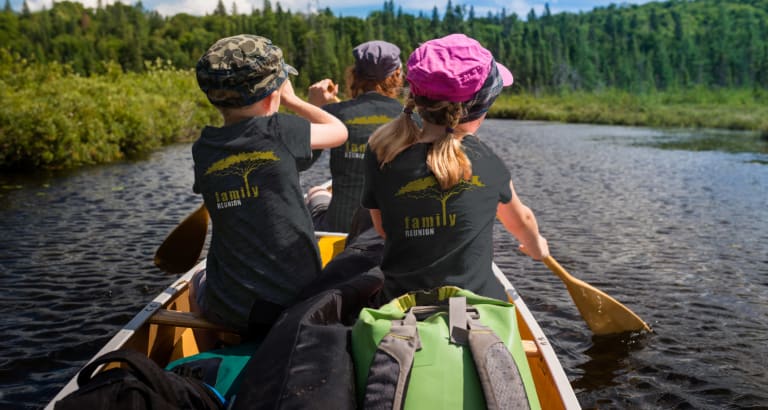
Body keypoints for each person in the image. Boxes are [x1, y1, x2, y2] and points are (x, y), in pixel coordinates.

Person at [362, 34, 550, 302]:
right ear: (480, 108)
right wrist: (536, 246)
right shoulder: (485, 160)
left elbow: (383, 229)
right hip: (477, 306)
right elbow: (522, 221)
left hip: (400, 303)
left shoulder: (381, 151)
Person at [190, 34, 348, 340]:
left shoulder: (204, 148)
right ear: (271, 95)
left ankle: (211, 355)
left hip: (232, 309)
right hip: (295, 302)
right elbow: (339, 131)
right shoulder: (281, 130)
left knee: (197, 280)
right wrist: (294, 100)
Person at [304, 40, 405, 233]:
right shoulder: (410, 117)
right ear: (397, 75)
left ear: (354, 74)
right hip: (391, 226)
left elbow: (304, 160)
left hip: (341, 225)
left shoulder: (333, 113)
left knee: (316, 191)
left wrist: (316, 109)